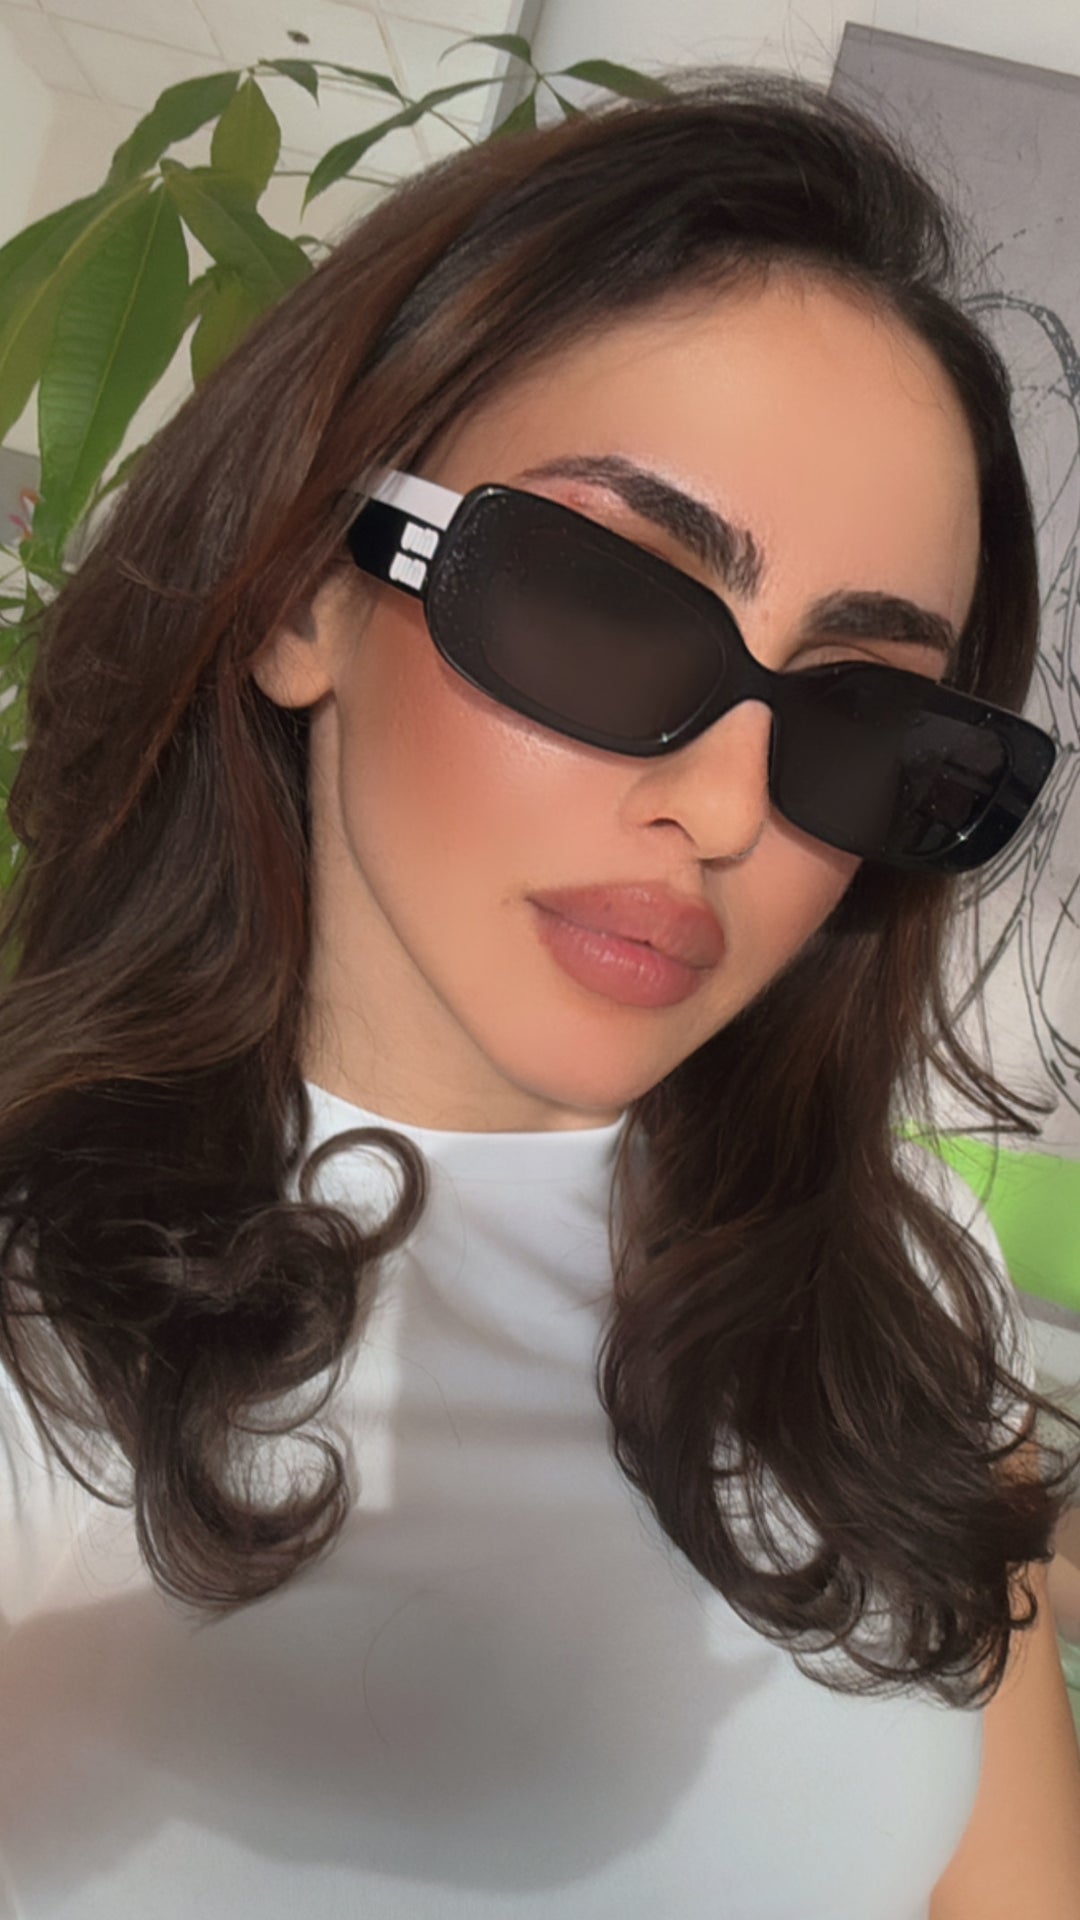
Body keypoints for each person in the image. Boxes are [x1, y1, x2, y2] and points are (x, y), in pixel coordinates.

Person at [0, 67, 1077, 1920]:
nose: (726, 810)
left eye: (858, 715)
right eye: (605, 605)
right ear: (304, 594)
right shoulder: (38, 1349)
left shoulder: (904, 1290)